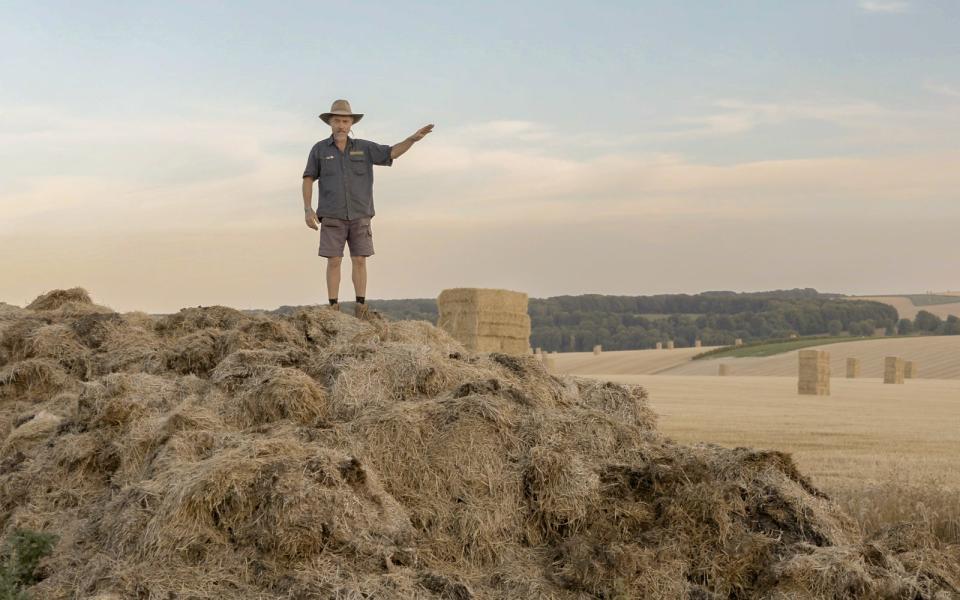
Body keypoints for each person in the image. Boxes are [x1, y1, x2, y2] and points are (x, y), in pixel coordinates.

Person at [302, 99, 433, 319]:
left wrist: (412, 139)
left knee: (360, 260)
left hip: (361, 214)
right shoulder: (319, 150)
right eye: (337, 121)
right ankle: (333, 309)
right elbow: (308, 178)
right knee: (333, 260)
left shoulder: (364, 147)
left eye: (345, 121)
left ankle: (360, 307)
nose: (341, 125)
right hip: (332, 215)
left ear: (351, 123)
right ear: (330, 123)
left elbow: (391, 153)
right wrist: (307, 209)